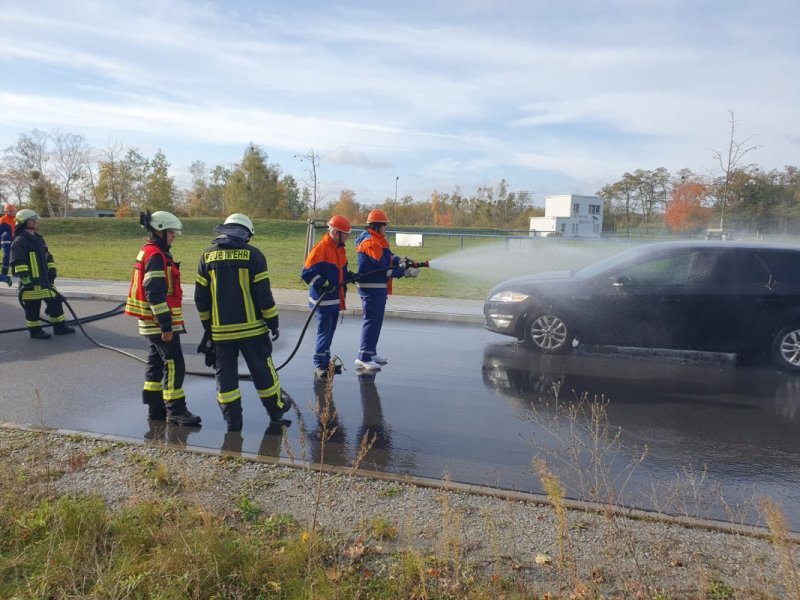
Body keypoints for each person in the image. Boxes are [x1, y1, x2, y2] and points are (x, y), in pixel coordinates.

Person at [194, 213, 289, 432]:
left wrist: (208, 327)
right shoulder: (254, 255)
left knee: (225, 378)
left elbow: (201, 298)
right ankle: (275, 411)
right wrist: (272, 321)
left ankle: (233, 422)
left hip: (221, 333)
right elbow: (263, 295)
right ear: (246, 234)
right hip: (253, 331)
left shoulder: (206, 257)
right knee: (263, 373)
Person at [124, 211, 201, 426]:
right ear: (159, 231)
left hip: (151, 322)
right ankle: (176, 410)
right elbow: (155, 293)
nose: (173, 236)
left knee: (155, 363)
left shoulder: (149, 251)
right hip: (159, 323)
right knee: (175, 364)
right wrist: (166, 325)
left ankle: (155, 408)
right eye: (170, 233)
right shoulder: (156, 256)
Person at [353, 209, 418, 370]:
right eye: (384, 226)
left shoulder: (378, 239)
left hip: (378, 288)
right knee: (371, 321)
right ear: (376, 226)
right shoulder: (371, 242)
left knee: (376, 321)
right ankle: (364, 356)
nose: (386, 229)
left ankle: (371, 352)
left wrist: (401, 260)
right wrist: (404, 272)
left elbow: (388, 256)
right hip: (371, 288)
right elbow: (382, 269)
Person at [301, 215, 354, 378]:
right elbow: (306, 274)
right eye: (345, 234)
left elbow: (340, 272)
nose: (347, 236)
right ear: (336, 233)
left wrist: (349, 276)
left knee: (330, 331)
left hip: (335, 300)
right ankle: (319, 365)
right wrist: (324, 284)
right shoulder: (320, 249)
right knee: (324, 332)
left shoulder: (339, 250)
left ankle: (325, 362)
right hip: (322, 301)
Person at [9, 209, 75, 339]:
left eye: (35, 219)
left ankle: (59, 327)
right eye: (32, 219)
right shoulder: (19, 241)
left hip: (45, 282)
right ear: (23, 222)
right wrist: (25, 278)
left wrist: (52, 270)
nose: (35, 221)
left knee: (56, 303)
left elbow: (47, 256)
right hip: (31, 284)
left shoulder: (38, 239)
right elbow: (17, 262)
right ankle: (35, 331)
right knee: (33, 309)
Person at [0, 203, 16, 286]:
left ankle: (12, 274)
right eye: (10, 211)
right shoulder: (2, 220)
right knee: (6, 257)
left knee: (14, 257)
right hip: (5, 241)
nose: (12, 212)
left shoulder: (16, 219)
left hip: (14, 240)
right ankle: (4, 274)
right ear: (6, 211)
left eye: (13, 211)